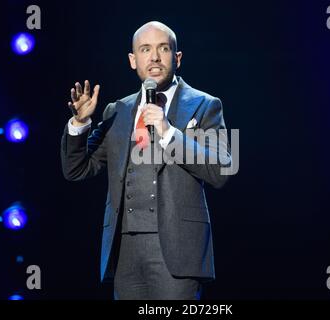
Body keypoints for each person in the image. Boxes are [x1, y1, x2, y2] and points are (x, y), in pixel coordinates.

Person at [61, 21, 231, 300]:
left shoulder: (205, 105)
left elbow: (222, 169)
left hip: (177, 251)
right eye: (145, 49)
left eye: (163, 49)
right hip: (125, 251)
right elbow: (76, 168)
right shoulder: (118, 110)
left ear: (177, 58)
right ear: (133, 60)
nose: (154, 57)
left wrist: (168, 133)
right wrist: (80, 123)